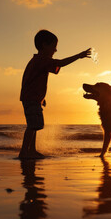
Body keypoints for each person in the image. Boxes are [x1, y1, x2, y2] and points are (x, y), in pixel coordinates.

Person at [19, 29, 91, 158]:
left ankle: (31, 150)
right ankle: (24, 151)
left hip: (33, 98)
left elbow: (33, 81)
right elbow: (60, 63)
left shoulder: (39, 61)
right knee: (33, 125)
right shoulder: (41, 59)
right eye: (54, 46)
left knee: (34, 125)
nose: (55, 50)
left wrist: (41, 98)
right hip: (31, 98)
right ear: (44, 45)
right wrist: (78, 56)